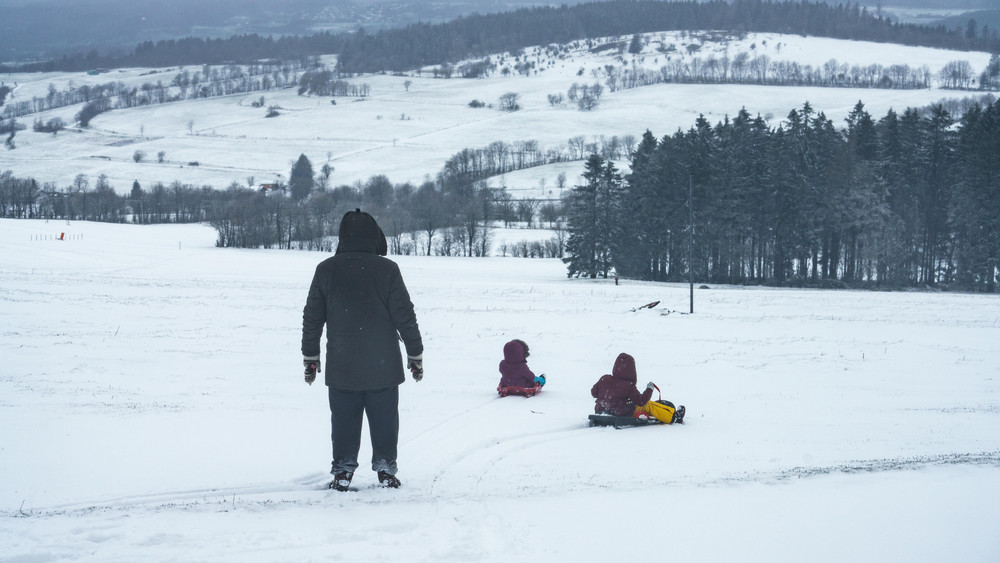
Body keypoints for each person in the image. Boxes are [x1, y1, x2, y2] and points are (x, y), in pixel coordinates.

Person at [301, 209, 424, 491]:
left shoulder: (326, 269)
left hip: (342, 363)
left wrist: (311, 357)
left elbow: (313, 316)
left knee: (343, 420)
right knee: (384, 420)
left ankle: (343, 471)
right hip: (383, 365)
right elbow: (405, 315)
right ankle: (385, 468)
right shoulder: (388, 269)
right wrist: (415, 355)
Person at [591, 352, 684, 424]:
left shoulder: (605, 378)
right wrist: (649, 389)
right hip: (620, 412)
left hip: (601, 410)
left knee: (631, 404)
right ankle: (673, 416)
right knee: (648, 406)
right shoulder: (628, 385)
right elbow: (641, 401)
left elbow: (593, 393)